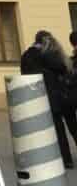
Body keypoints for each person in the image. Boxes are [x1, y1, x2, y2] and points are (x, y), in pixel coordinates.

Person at [21, 29, 77, 170]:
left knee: (58, 130)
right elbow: (63, 69)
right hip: (63, 96)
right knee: (73, 127)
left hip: (45, 97)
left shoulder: (28, 55)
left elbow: (25, 74)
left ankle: (66, 160)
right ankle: (66, 160)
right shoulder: (52, 52)